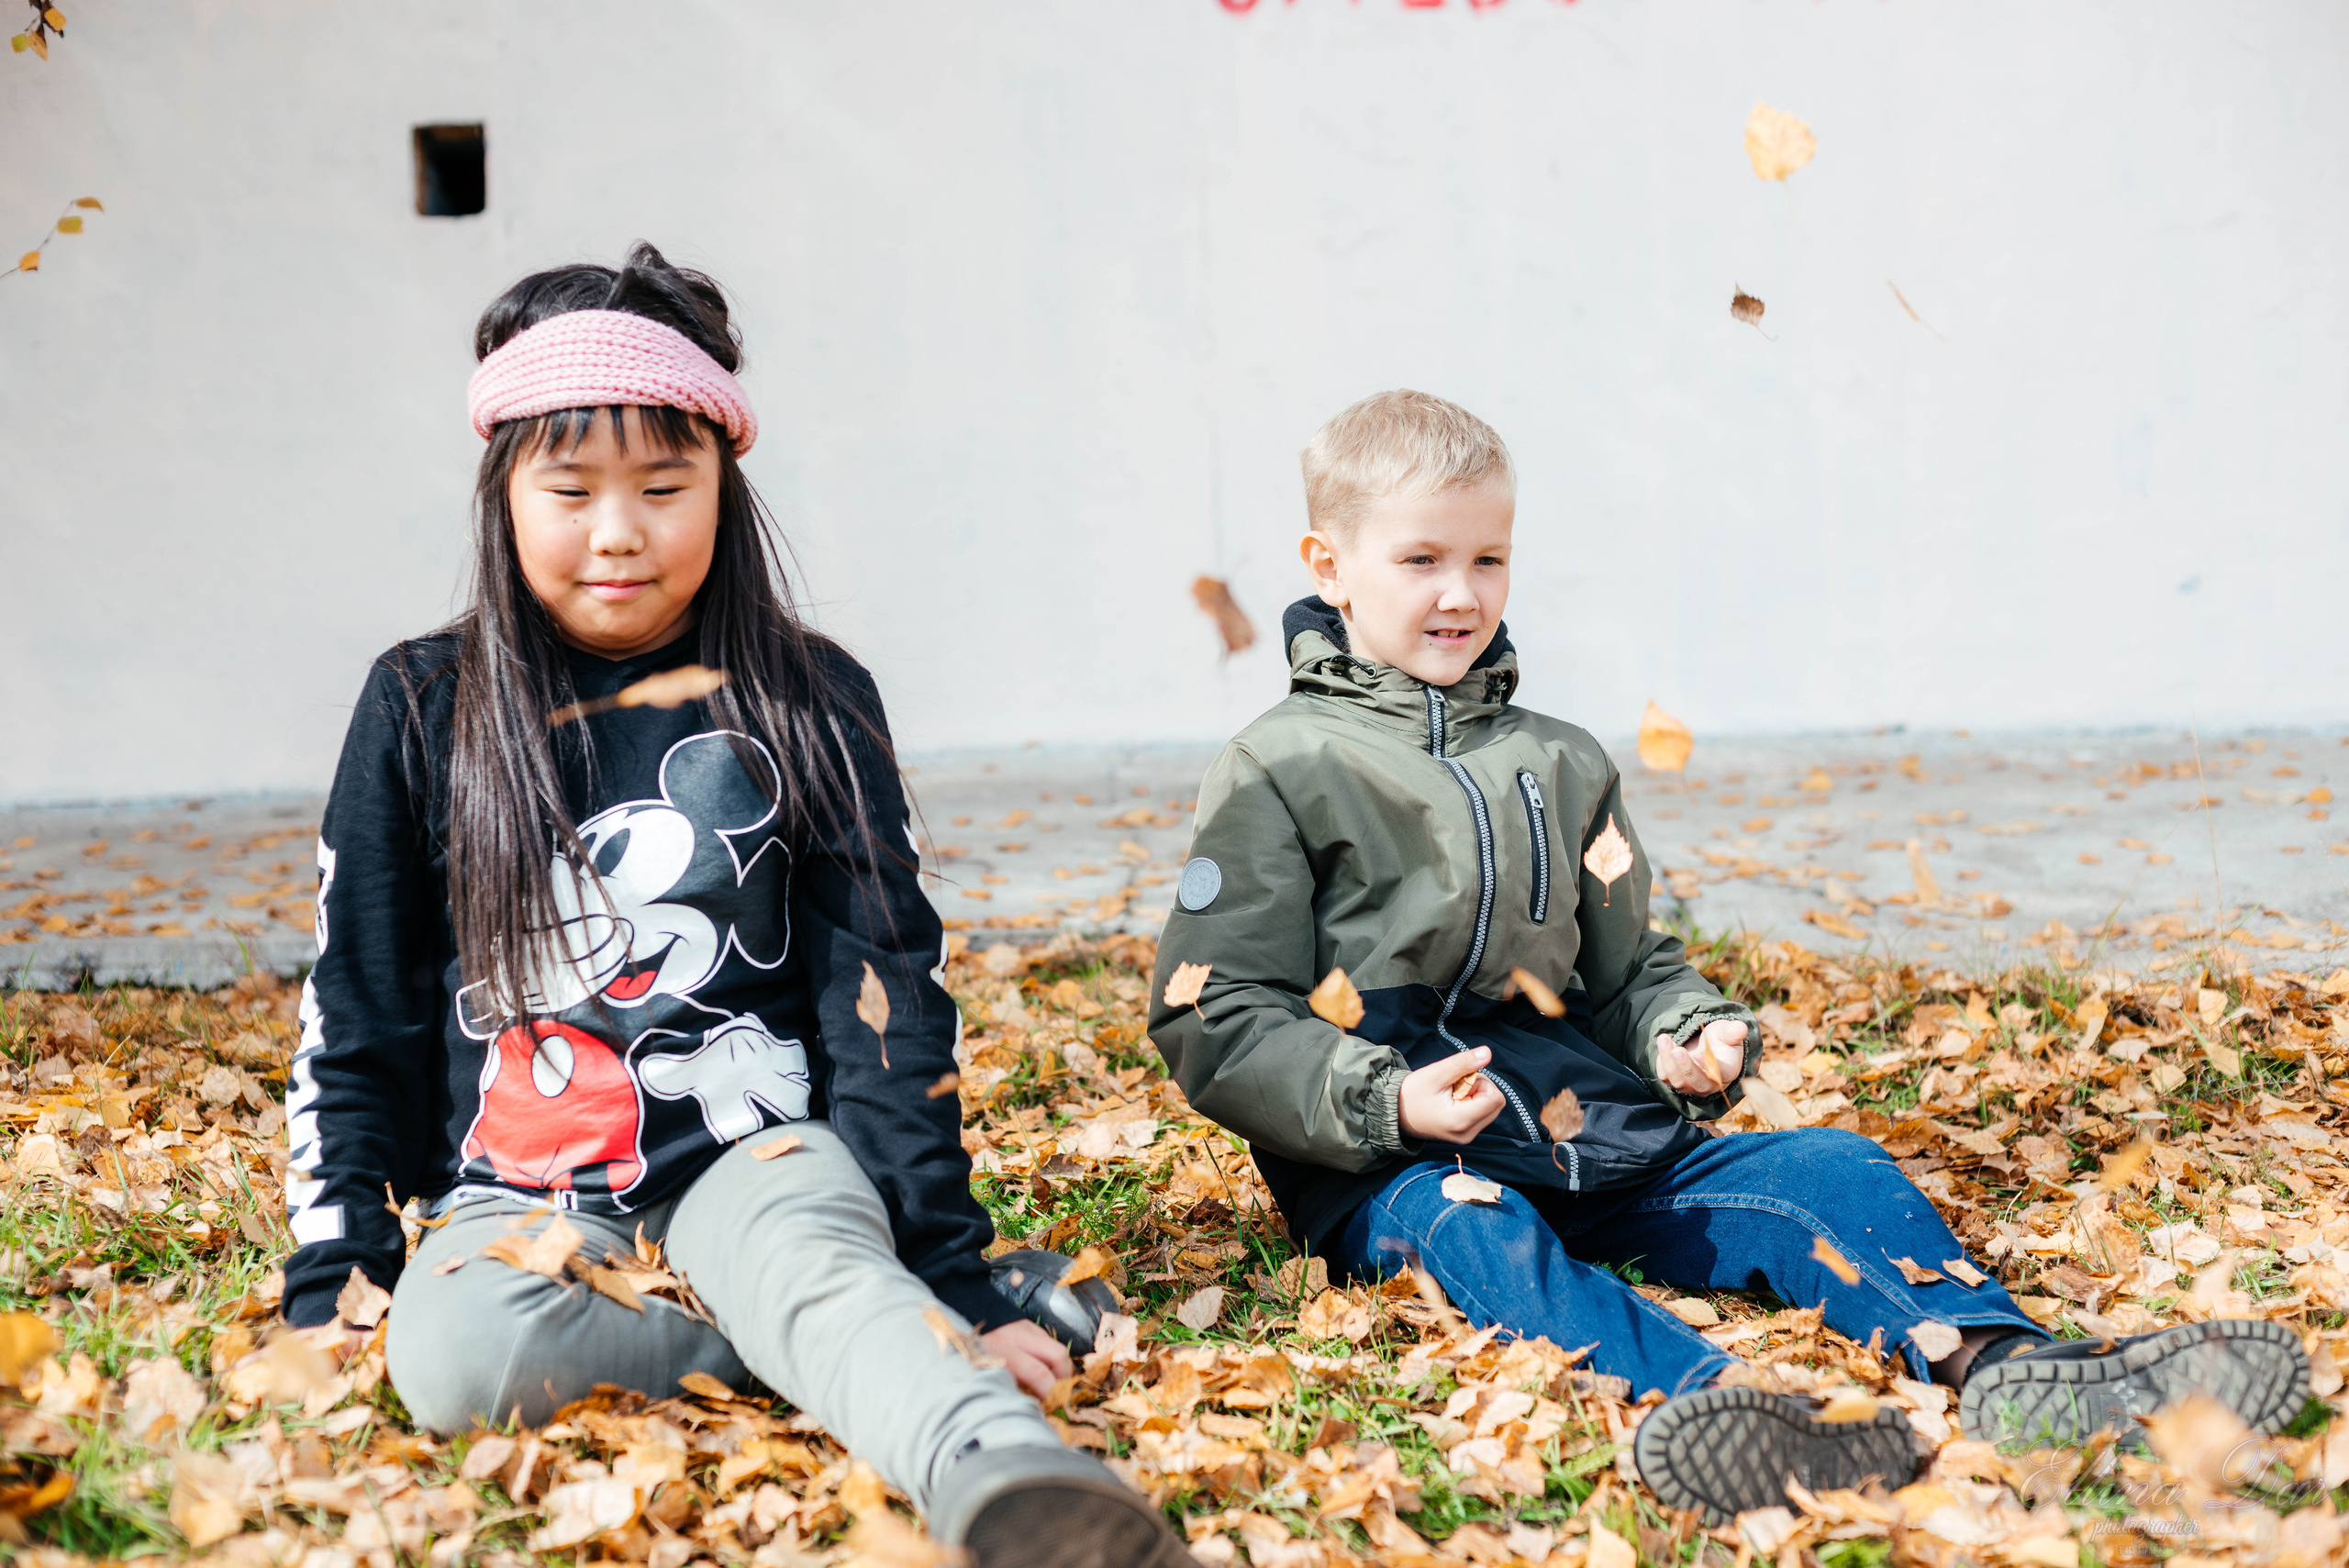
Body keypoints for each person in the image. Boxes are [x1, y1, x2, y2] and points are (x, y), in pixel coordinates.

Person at [1146, 389, 2308, 1519]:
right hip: (1390, 1162)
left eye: (1488, 558)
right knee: (1474, 1225)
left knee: (1824, 1167)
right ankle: (1715, 1409)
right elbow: (1211, 1007)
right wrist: (1384, 1097)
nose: (1462, 592)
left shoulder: (1563, 761)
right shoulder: (1279, 767)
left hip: (1581, 1134)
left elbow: (1624, 966)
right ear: (1330, 564)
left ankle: (2005, 1362)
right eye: (1420, 559)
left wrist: (1678, 1029)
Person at [283, 243, 1188, 1566]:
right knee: (457, 1360)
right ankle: (845, 1327)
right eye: (570, 489)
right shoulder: (426, 704)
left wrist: (943, 1265)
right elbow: (358, 1007)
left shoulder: (809, 696)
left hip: (754, 1155)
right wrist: (340, 1274)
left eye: (664, 486)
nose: (618, 531)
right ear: (503, 493)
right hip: (519, 1185)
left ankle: (1005, 1475)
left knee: (812, 1259)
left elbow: (885, 1007)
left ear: (724, 484)